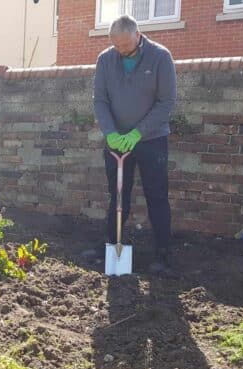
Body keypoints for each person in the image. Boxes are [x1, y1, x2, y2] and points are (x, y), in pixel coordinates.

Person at [93, 15, 177, 274]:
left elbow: (166, 103)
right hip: (117, 141)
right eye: (116, 46)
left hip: (151, 140)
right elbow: (100, 101)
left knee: (157, 195)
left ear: (138, 35)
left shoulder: (161, 57)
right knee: (118, 196)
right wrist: (110, 132)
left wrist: (138, 133)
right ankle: (112, 245)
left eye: (125, 46)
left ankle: (162, 254)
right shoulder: (106, 59)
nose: (121, 51)